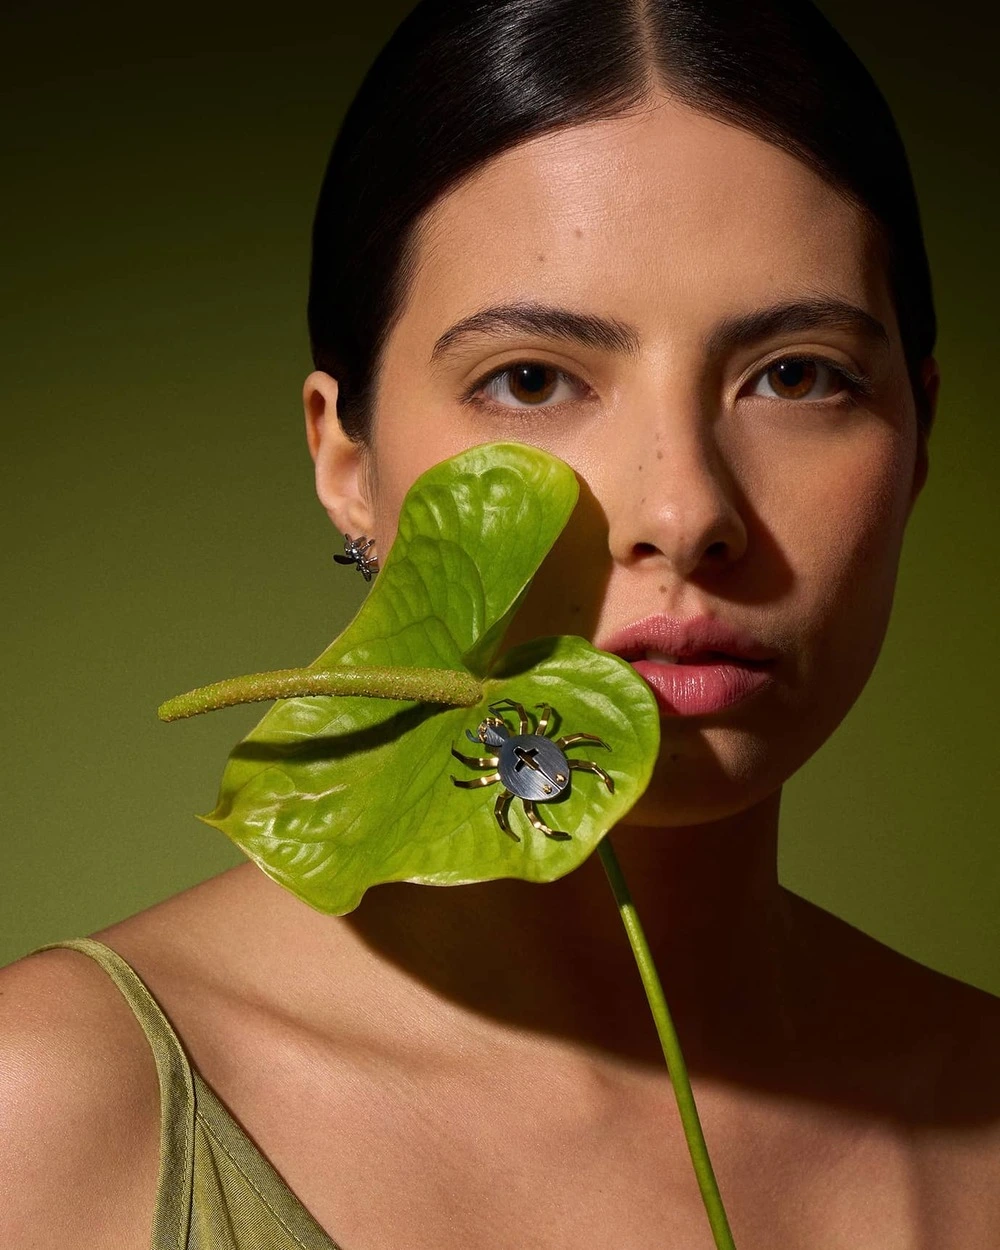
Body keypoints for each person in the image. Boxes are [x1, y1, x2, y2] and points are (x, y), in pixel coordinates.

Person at [2, 0, 998, 1245]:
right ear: (344, 455)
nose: (684, 511)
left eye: (795, 374)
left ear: (918, 436)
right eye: (531, 378)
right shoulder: (52, 1110)